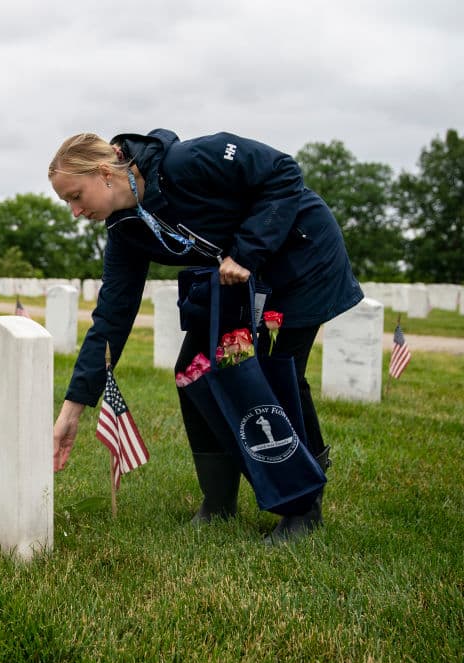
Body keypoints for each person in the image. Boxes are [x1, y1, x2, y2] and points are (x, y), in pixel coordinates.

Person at [47, 129, 363, 543]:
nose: (74, 210)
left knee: (279, 374)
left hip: (301, 255)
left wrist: (247, 251)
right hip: (236, 278)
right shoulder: (126, 231)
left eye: (75, 196)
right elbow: (111, 317)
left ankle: (304, 507)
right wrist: (72, 410)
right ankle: (218, 501)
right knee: (192, 369)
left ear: (105, 173)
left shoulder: (187, 161)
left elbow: (284, 172)